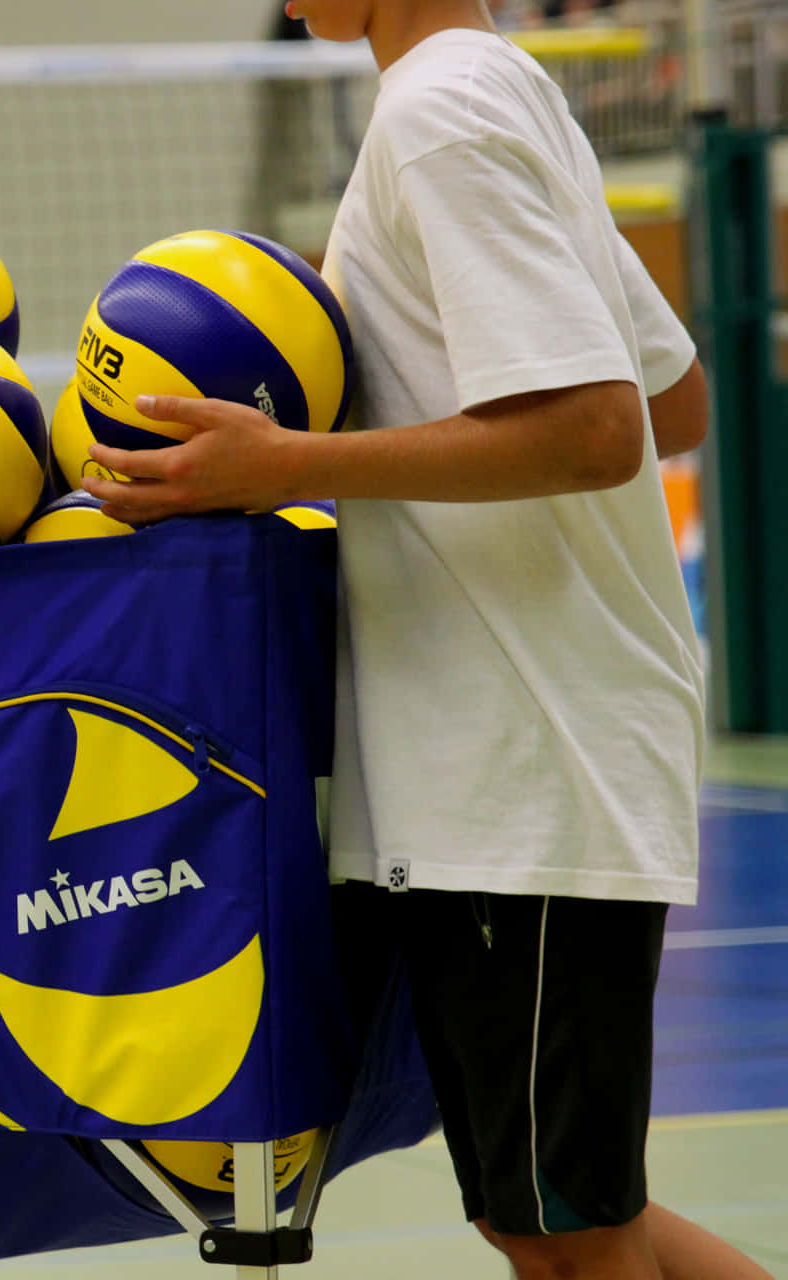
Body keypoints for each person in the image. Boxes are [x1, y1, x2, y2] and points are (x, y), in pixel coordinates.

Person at [80, 3, 770, 1278]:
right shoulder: (487, 90)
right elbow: (674, 391)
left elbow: (604, 429)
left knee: (571, 1236)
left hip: (533, 752)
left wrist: (290, 460)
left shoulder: (440, 116)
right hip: (502, 756)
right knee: (546, 1218)